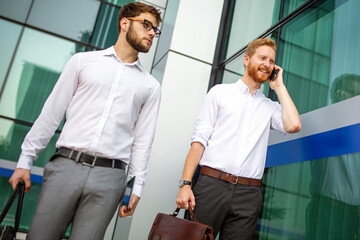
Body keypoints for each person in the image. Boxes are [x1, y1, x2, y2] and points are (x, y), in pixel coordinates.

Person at [8, 2, 162, 239]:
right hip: (67, 166)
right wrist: (25, 160)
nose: (152, 32)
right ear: (124, 23)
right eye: (146, 25)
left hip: (110, 178)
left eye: (155, 29)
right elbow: (51, 113)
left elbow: (143, 140)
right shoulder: (82, 62)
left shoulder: (151, 86)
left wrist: (137, 186)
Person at [176, 38, 301, 239]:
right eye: (262, 58)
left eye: (271, 61)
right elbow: (199, 141)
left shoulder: (270, 107)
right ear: (246, 60)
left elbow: (293, 125)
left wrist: (279, 87)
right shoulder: (220, 93)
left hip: (248, 194)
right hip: (211, 186)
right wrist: (185, 184)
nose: (267, 64)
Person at [305, 73, 360, 239]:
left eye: (357, 95)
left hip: (354, 213)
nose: (353, 98)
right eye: (348, 92)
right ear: (336, 94)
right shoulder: (323, 124)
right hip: (326, 209)